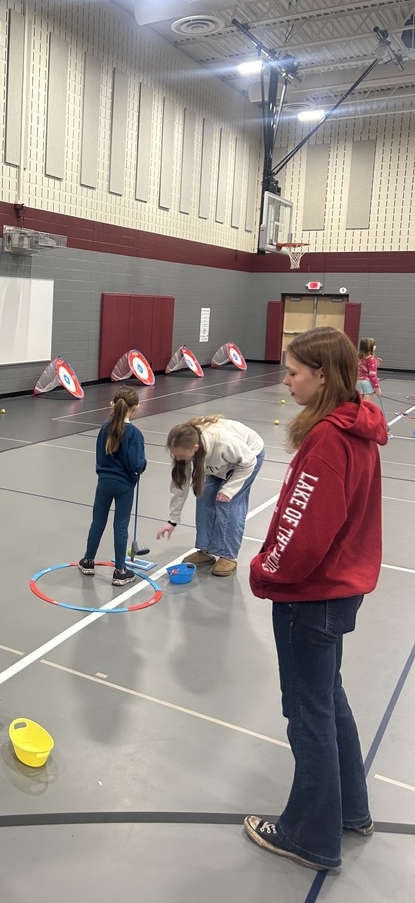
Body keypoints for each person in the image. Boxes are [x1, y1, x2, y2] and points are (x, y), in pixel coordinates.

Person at [245, 327, 387, 870]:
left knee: (307, 713)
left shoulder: (329, 438)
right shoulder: (357, 425)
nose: (286, 380)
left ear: (323, 375)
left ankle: (309, 835)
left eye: (293, 372)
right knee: (330, 701)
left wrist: (264, 571)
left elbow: (302, 531)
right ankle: (351, 811)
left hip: (313, 596)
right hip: (339, 592)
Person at [155, 415, 264, 576]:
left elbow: (248, 462)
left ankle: (228, 556)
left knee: (227, 503)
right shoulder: (184, 448)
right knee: (204, 496)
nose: (178, 459)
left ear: (196, 448)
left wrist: (229, 489)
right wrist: (173, 520)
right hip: (218, 461)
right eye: (175, 455)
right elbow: (181, 486)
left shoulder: (223, 442)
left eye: (182, 456)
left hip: (247, 458)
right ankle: (205, 551)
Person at [78, 386, 147, 586]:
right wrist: (143, 465)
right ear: (136, 408)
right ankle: (120, 570)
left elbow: (100, 454)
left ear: (113, 405)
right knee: (121, 526)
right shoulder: (134, 433)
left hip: (104, 483)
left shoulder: (105, 427)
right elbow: (136, 464)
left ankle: (88, 561)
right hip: (124, 485)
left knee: (97, 522)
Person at [356, 336, 381, 403]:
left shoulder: (358, 357)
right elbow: (372, 375)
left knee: (360, 403)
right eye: (374, 345)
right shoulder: (371, 359)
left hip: (358, 382)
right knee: (366, 404)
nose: (375, 346)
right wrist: (377, 388)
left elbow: (363, 369)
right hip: (367, 383)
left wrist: (376, 364)